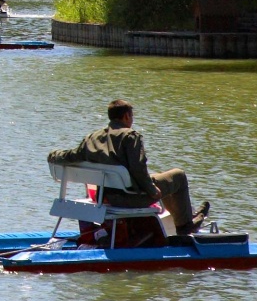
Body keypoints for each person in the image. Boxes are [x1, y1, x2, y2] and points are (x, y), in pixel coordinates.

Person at [48, 99, 204, 235]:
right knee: (178, 176)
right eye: (132, 116)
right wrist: (152, 190)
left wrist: (53, 155)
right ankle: (185, 226)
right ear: (127, 116)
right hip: (129, 199)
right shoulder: (130, 136)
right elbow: (138, 169)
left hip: (105, 197)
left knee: (162, 179)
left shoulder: (92, 137)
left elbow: (72, 155)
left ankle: (183, 219)